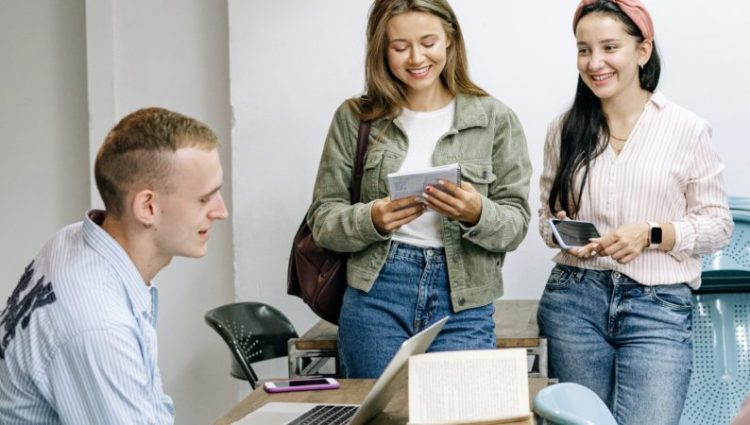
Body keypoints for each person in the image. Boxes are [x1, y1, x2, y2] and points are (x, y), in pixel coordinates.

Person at [308, 0, 532, 378]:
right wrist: (372, 219)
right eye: (399, 47)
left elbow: (516, 224)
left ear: (450, 40)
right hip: (377, 292)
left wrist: (477, 212)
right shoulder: (355, 118)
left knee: (460, 417)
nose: (416, 58)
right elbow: (323, 220)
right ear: (381, 49)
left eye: (428, 42)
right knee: (382, 417)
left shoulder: (495, 119)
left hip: (464, 299)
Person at [537, 1, 733, 424]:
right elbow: (544, 219)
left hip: (657, 307)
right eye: (584, 49)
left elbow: (719, 226)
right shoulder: (564, 129)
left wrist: (650, 233)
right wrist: (562, 230)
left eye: (610, 47)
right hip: (574, 299)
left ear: (643, 50)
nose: (595, 62)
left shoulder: (687, 129)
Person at [0, 107, 228, 424]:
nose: (221, 211)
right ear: (148, 206)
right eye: (205, 199)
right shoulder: (99, 324)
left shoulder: (71, 241)